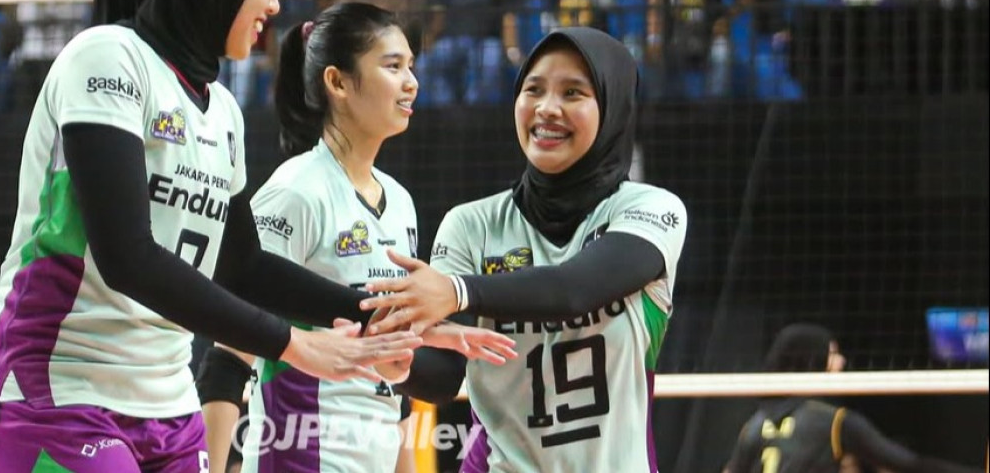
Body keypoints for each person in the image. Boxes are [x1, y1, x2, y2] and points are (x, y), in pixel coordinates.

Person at [0, 0, 423, 473]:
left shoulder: (223, 111)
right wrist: (294, 344)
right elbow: (126, 258)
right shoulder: (107, 57)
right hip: (56, 387)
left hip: (168, 400)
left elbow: (243, 266)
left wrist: (381, 319)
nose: (274, 4)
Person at [196, 2, 517, 473]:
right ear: (338, 82)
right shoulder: (296, 191)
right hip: (300, 458)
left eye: (411, 66)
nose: (412, 82)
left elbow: (396, 372)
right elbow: (229, 356)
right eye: (393, 66)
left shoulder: (400, 202)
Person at [359, 27, 689, 473]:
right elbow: (444, 375)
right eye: (533, 90)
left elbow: (575, 290)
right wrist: (398, 361)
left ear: (612, 107)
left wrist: (459, 292)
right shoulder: (471, 225)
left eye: (572, 93)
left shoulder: (651, 210)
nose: (547, 108)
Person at [724, 324, 981, 473]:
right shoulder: (834, 422)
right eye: (833, 354)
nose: (841, 362)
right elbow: (909, 464)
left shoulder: (754, 425)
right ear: (812, 361)